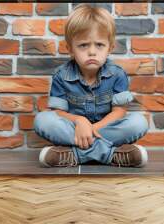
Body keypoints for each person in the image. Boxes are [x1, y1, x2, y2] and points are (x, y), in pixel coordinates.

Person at [34, 4, 149, 168]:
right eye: (83, 45)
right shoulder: (61, 75)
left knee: (138, 122)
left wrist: (93, 128)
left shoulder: (117, 74)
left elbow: (119, 111)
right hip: (74, 128)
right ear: (71, 49)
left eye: (99, 45)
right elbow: (58, 112)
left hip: (104, 128)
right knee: (43, 120)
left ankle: (75, 155)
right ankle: (110, 154)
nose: (92, 52)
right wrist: (80, 121)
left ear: (110, 48)